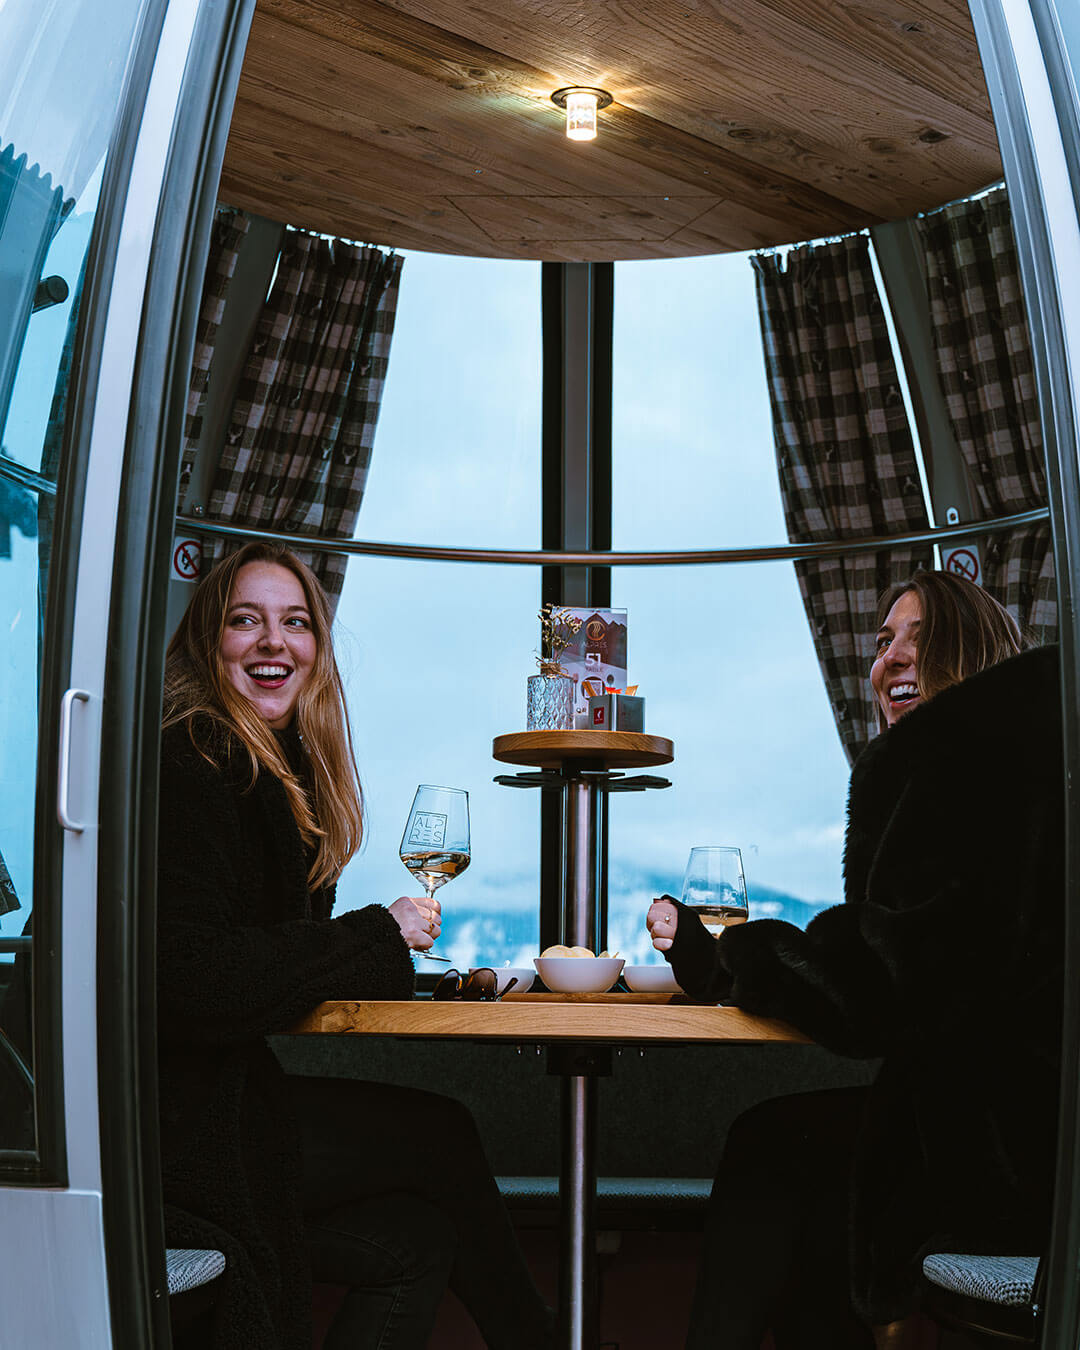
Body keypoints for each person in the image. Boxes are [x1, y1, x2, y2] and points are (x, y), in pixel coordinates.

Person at [646, 570, 1063, 1349]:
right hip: (1030, 1130)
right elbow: (924, 952)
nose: (890, 659)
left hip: (1016, 1159)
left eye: (918, 637)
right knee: (811, 1180)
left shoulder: (977, 772)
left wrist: (723, 963)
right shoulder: (1029, 761)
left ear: (975, 651)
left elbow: (886, 985)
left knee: (774, 1151)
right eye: (880, 643)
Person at [157, 541, 554, 1350]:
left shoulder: (275, 772)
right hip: (168, 1125)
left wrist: (419, 971)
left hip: (213, 1102)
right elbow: (197, 979)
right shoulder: (194, 760)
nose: (275, 642)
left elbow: (280, 958)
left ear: (317, 651)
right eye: (246, 621)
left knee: (412, 1242)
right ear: (209, 642)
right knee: (440, 1135)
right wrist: (380, 932)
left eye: (295, 623)